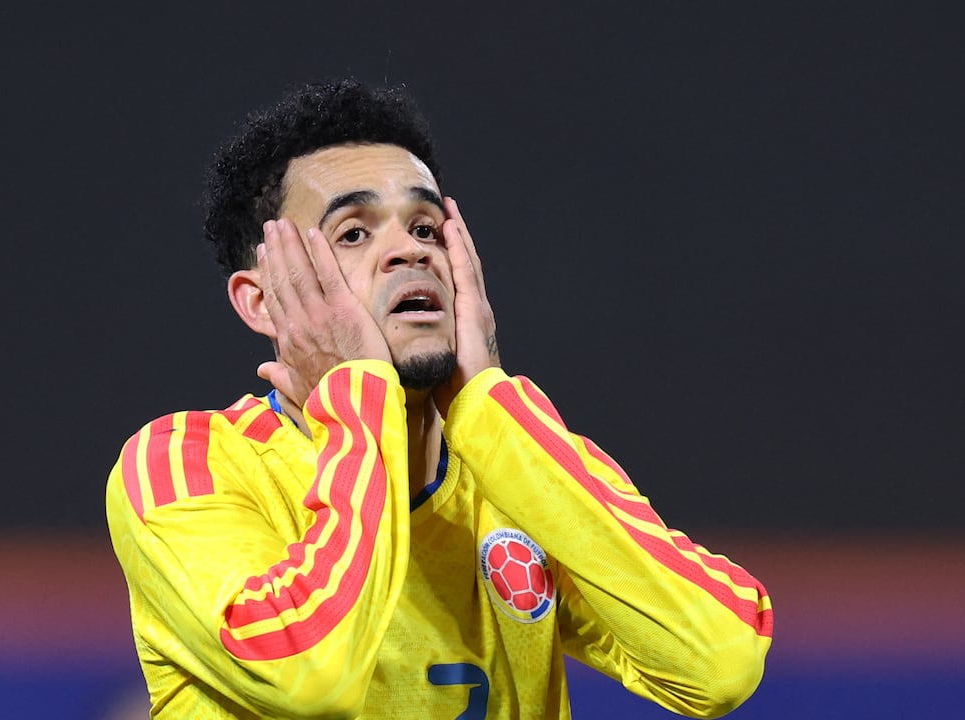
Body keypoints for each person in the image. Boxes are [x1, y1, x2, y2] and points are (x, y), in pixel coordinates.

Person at [106, 80, 772, 719]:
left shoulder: (514, 462)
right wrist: (358, 397)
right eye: (355, 234)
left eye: (426, 228)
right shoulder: (184, 464)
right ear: (263, 300)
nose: (408, 252)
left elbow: (719, 662)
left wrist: (488, 406)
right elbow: (308, 675)